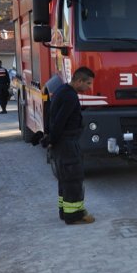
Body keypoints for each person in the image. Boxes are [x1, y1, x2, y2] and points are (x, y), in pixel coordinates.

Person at [46, 67, 96, 225]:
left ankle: (65, 211)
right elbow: (60, 122)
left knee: (65, 178)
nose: (89, 87)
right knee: (74, 178)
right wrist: (51, 140)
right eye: (88, 83)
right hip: (67, 143)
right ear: (79, 81)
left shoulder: (62, 91)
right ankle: (74, 215)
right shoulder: (69, 97)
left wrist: (51, 140)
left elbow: (52, 118)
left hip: (62, 144)